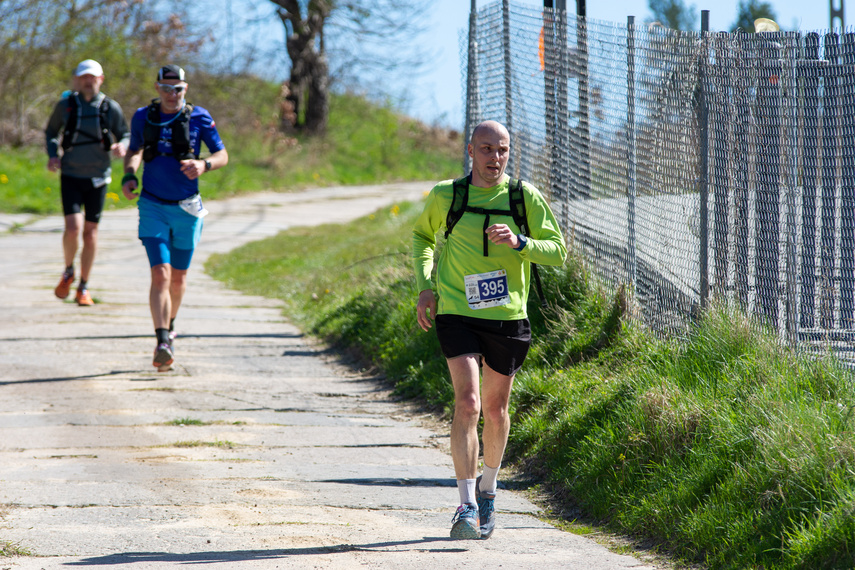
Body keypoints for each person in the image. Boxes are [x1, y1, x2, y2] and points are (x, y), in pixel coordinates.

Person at [412, 120, 567, 540]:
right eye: (485, 149)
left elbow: (558, 251)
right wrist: (426, 286)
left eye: (501, 150)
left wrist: (520, 242)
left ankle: (489, 490)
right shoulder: (448, 195)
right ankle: (464, 506)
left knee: (496, 412)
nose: (494, 158)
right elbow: (423, 237)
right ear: (470, 151)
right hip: (457, 311)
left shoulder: (523, 198)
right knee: (469, 403)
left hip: (507, 317)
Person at [121, 65, 228, 371]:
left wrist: (204, 165)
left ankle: (171, 323)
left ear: (186, 89)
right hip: (152, 204)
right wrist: (129, 175)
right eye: (166, 89)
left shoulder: (200, 117)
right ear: (157, 88)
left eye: (177, 89)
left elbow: (222, 154)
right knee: (161, 274)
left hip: (187, 208)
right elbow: (135, 150)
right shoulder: (144, 116)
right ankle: (163, 340)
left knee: (178, 278)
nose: (172, 95)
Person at [45, 59, 130, 306]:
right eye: (83, 77)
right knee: (73, 228)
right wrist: (52, 155)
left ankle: (84, 286)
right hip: (71, 174)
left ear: (101, 79)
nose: (88, 81)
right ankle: (68, 270)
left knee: (90, 232)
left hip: (98, 177)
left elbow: (124, 133)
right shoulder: (66, 105)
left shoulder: (109, 107)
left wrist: (121, 147)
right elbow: (51, 132)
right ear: (77, 79)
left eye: (92, 77)